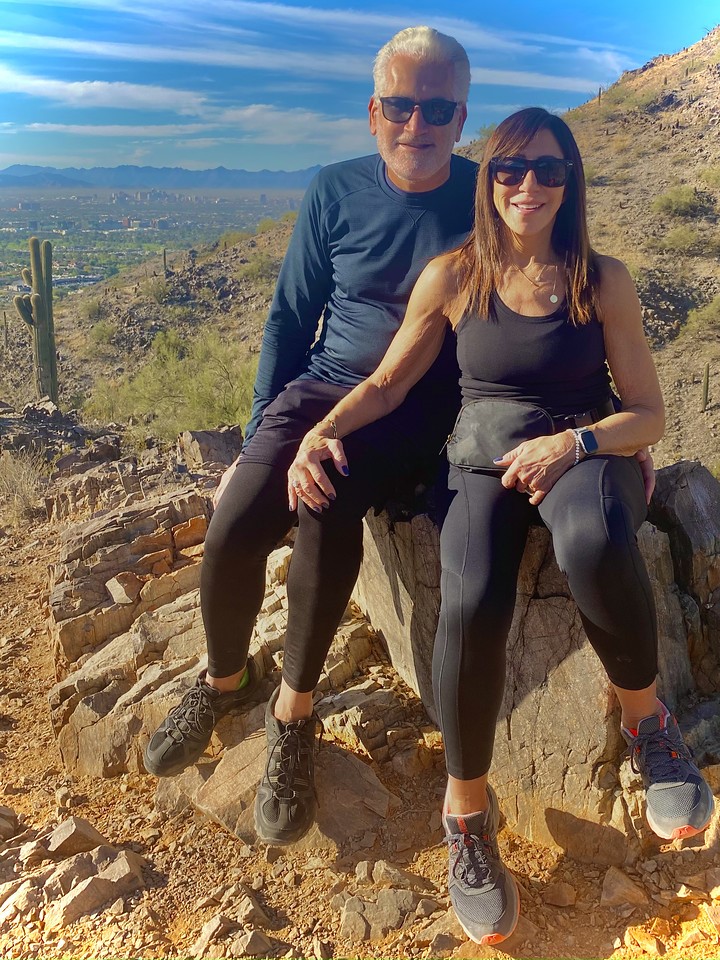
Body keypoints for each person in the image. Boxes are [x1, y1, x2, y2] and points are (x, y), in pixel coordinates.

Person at [286, 107, 715, 946]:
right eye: (511, 169)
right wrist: (322, 428)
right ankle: (467, 813)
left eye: (549, 170)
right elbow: (386, 383)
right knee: (472, 599)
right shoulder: (453, 276)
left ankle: (648, 724)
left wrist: (578, 441)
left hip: (586, 451)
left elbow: (650, 414)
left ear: (571, 181)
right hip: (482, 457)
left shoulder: (602, 280)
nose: (529, 185)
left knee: (590, 543)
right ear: (488, 181)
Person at [143, 26, 477, 845]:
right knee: (231, 530)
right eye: (400, 105)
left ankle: (293, 715)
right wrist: (261, 439)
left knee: (326, 507)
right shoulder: (334, 189)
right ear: (373, 112)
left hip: (413, 411)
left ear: (461, 117)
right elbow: (291, 317)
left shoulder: (488, 197)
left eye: (436, 107)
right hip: (319, 388)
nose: (416, 123)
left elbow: (550, 298)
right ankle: (228, 682)